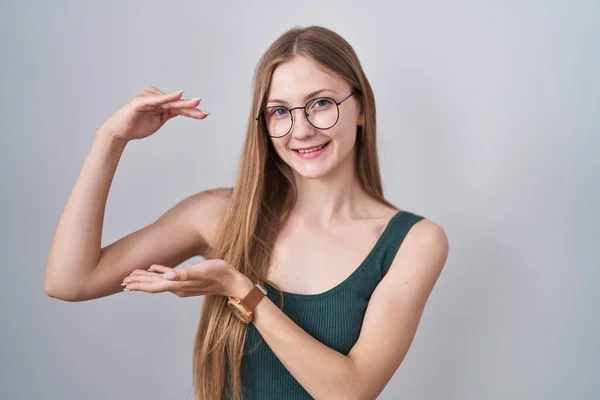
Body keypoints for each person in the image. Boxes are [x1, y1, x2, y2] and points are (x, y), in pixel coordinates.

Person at [44, 25, 449, 400]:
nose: (301, 129)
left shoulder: (414, 242)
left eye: (321, 103)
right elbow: (70, 281)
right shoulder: (220, 215)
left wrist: (243, 292)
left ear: (361, 108)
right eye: (279, 111)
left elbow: (350, 391)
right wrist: (111, 139)